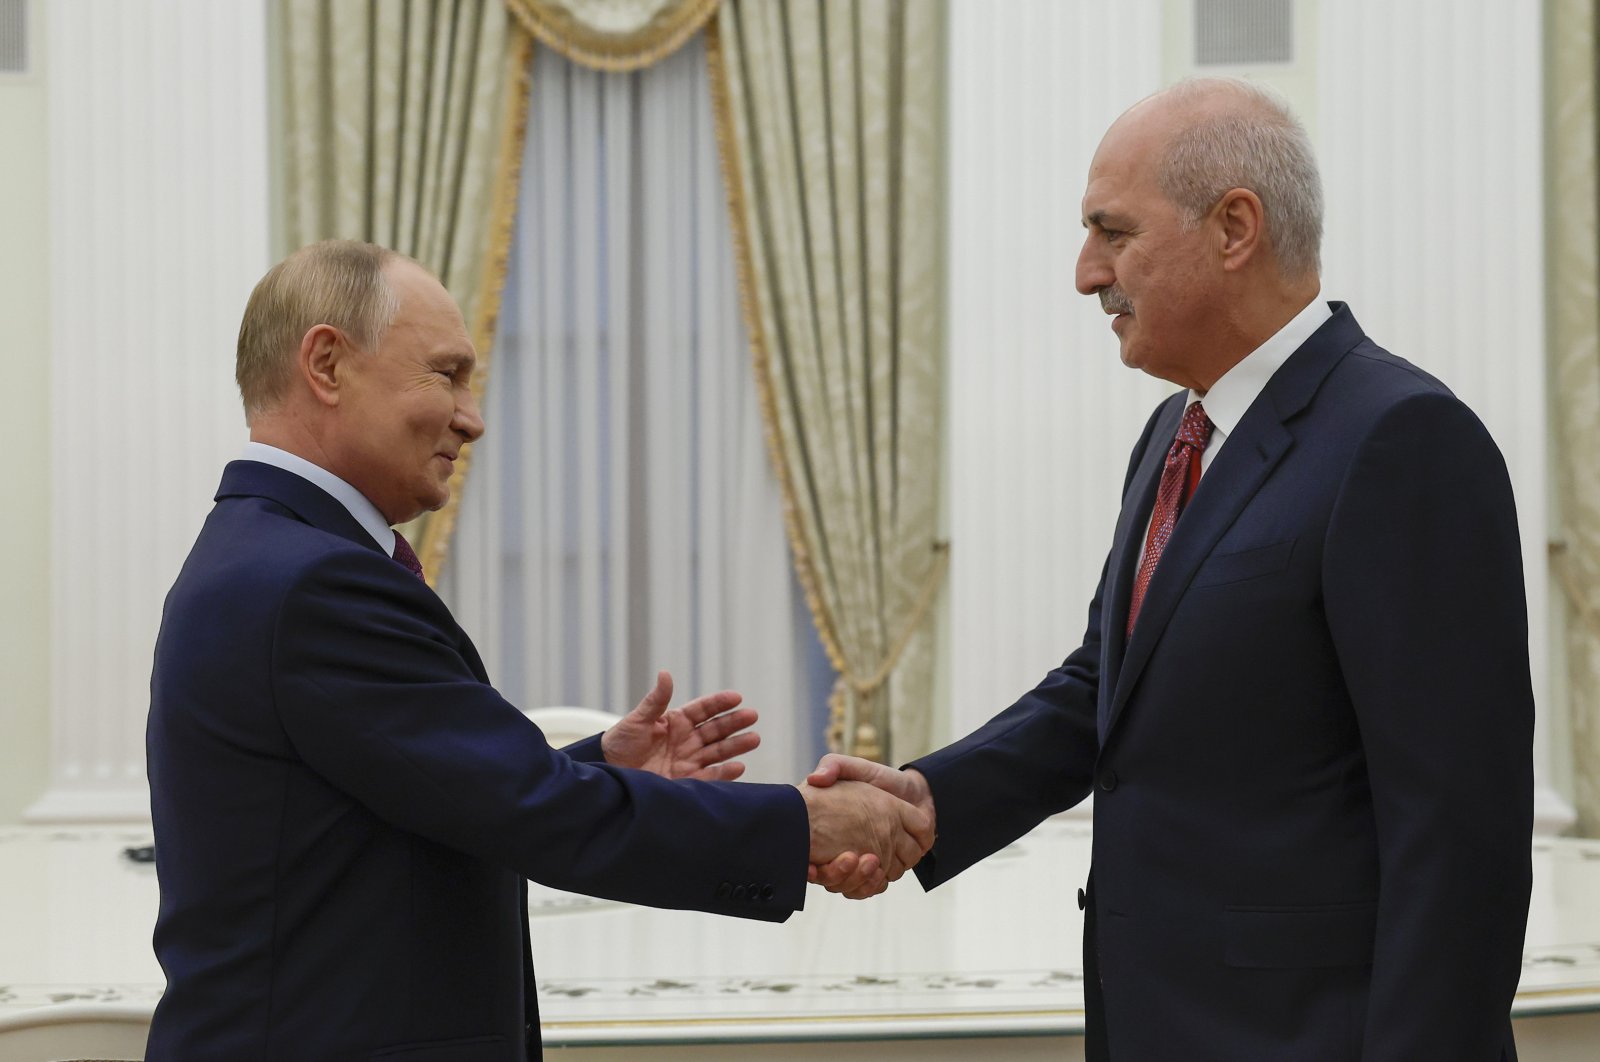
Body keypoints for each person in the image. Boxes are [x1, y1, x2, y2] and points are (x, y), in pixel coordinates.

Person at [810, 78, 1534, 1061]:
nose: (1083, 273)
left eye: (1113, 231)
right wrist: (931, 803)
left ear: (1234, 227)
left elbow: (1457, 838)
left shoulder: (1402, 440)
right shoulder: (1175, 431)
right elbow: (1104, 692)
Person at [145, 240, 933, 1061]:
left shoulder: (268, 554)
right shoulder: (312, 583)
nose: (473, 416)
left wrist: (595, 772)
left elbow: (428, 798)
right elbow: (529, 810)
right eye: (445, 374)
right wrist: (799, 825)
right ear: (328, 363)